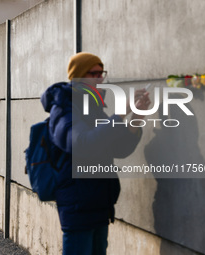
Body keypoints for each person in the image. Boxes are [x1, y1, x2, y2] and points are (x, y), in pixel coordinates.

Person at [40, 52, 151, 254]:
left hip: (99, 203)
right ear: (79, 76)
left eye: (102, 73)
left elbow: (119, 149)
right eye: (94, 73)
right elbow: (82, 143)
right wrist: (120, 112)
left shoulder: (95, 107)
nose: (101, 78)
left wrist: (137, 116)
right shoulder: (65, 107)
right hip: (78, 205)